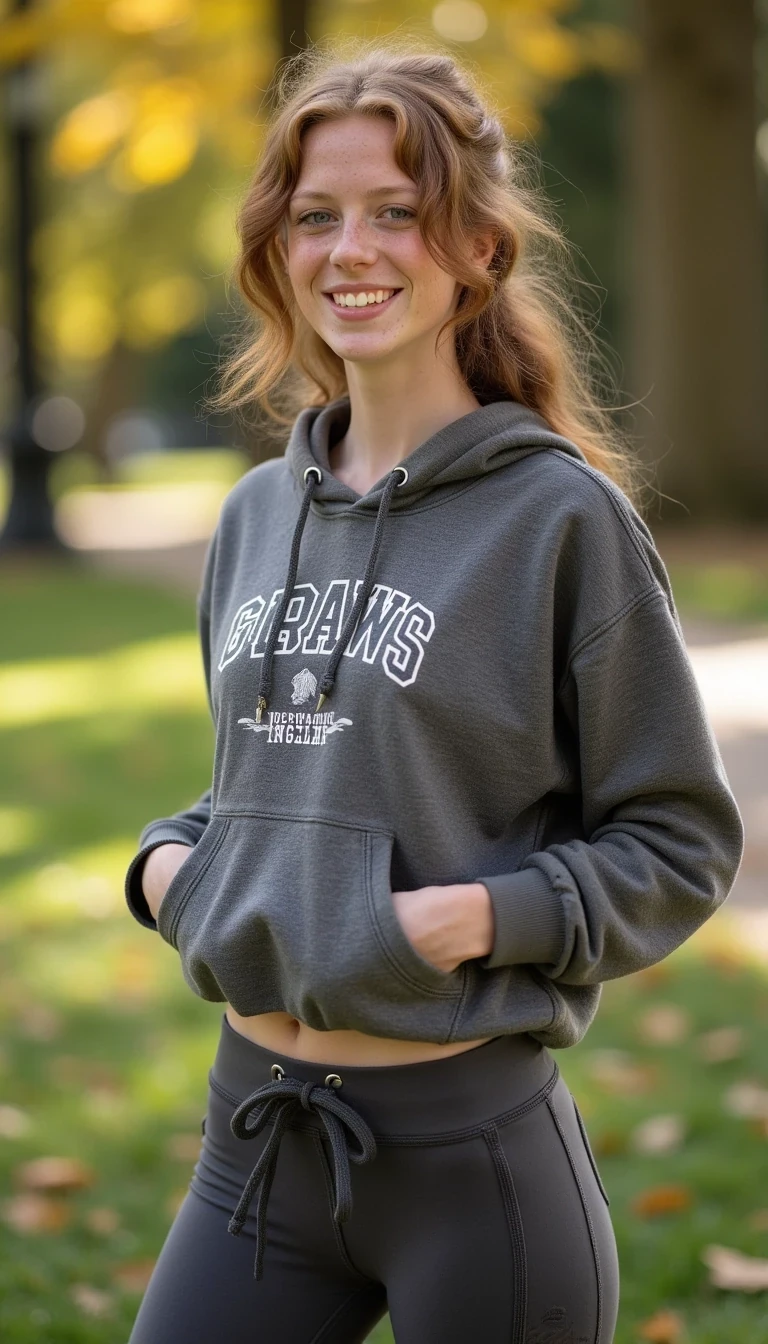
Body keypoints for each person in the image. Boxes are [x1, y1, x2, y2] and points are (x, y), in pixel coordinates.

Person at [124, 37, 744, 1344]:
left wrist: (478, 918)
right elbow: (287, 780)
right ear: (277, 249)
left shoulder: (558, 521)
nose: (352, 248)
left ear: (475, 246)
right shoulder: (249, 517)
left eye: (397, 212)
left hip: (472, 1168)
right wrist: (166, 869)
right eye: (316, 216)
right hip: (255, 1144)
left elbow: (681, 839)